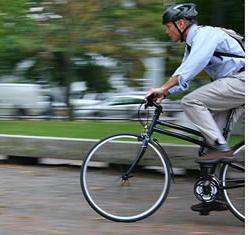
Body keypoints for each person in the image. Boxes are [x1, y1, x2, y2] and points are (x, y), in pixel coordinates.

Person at [145, 3, 245, 213]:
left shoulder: (206, 35)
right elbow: (183, 77)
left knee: (191, 102)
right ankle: (213, 197)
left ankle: (223, 149)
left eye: (168, 26)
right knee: (209, 145)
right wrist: (164, 93)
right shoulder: (191, 45)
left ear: (181, 24)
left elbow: (192, 67)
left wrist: (163, 87)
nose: (166, 31)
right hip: (233, 85)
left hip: (242, 81)